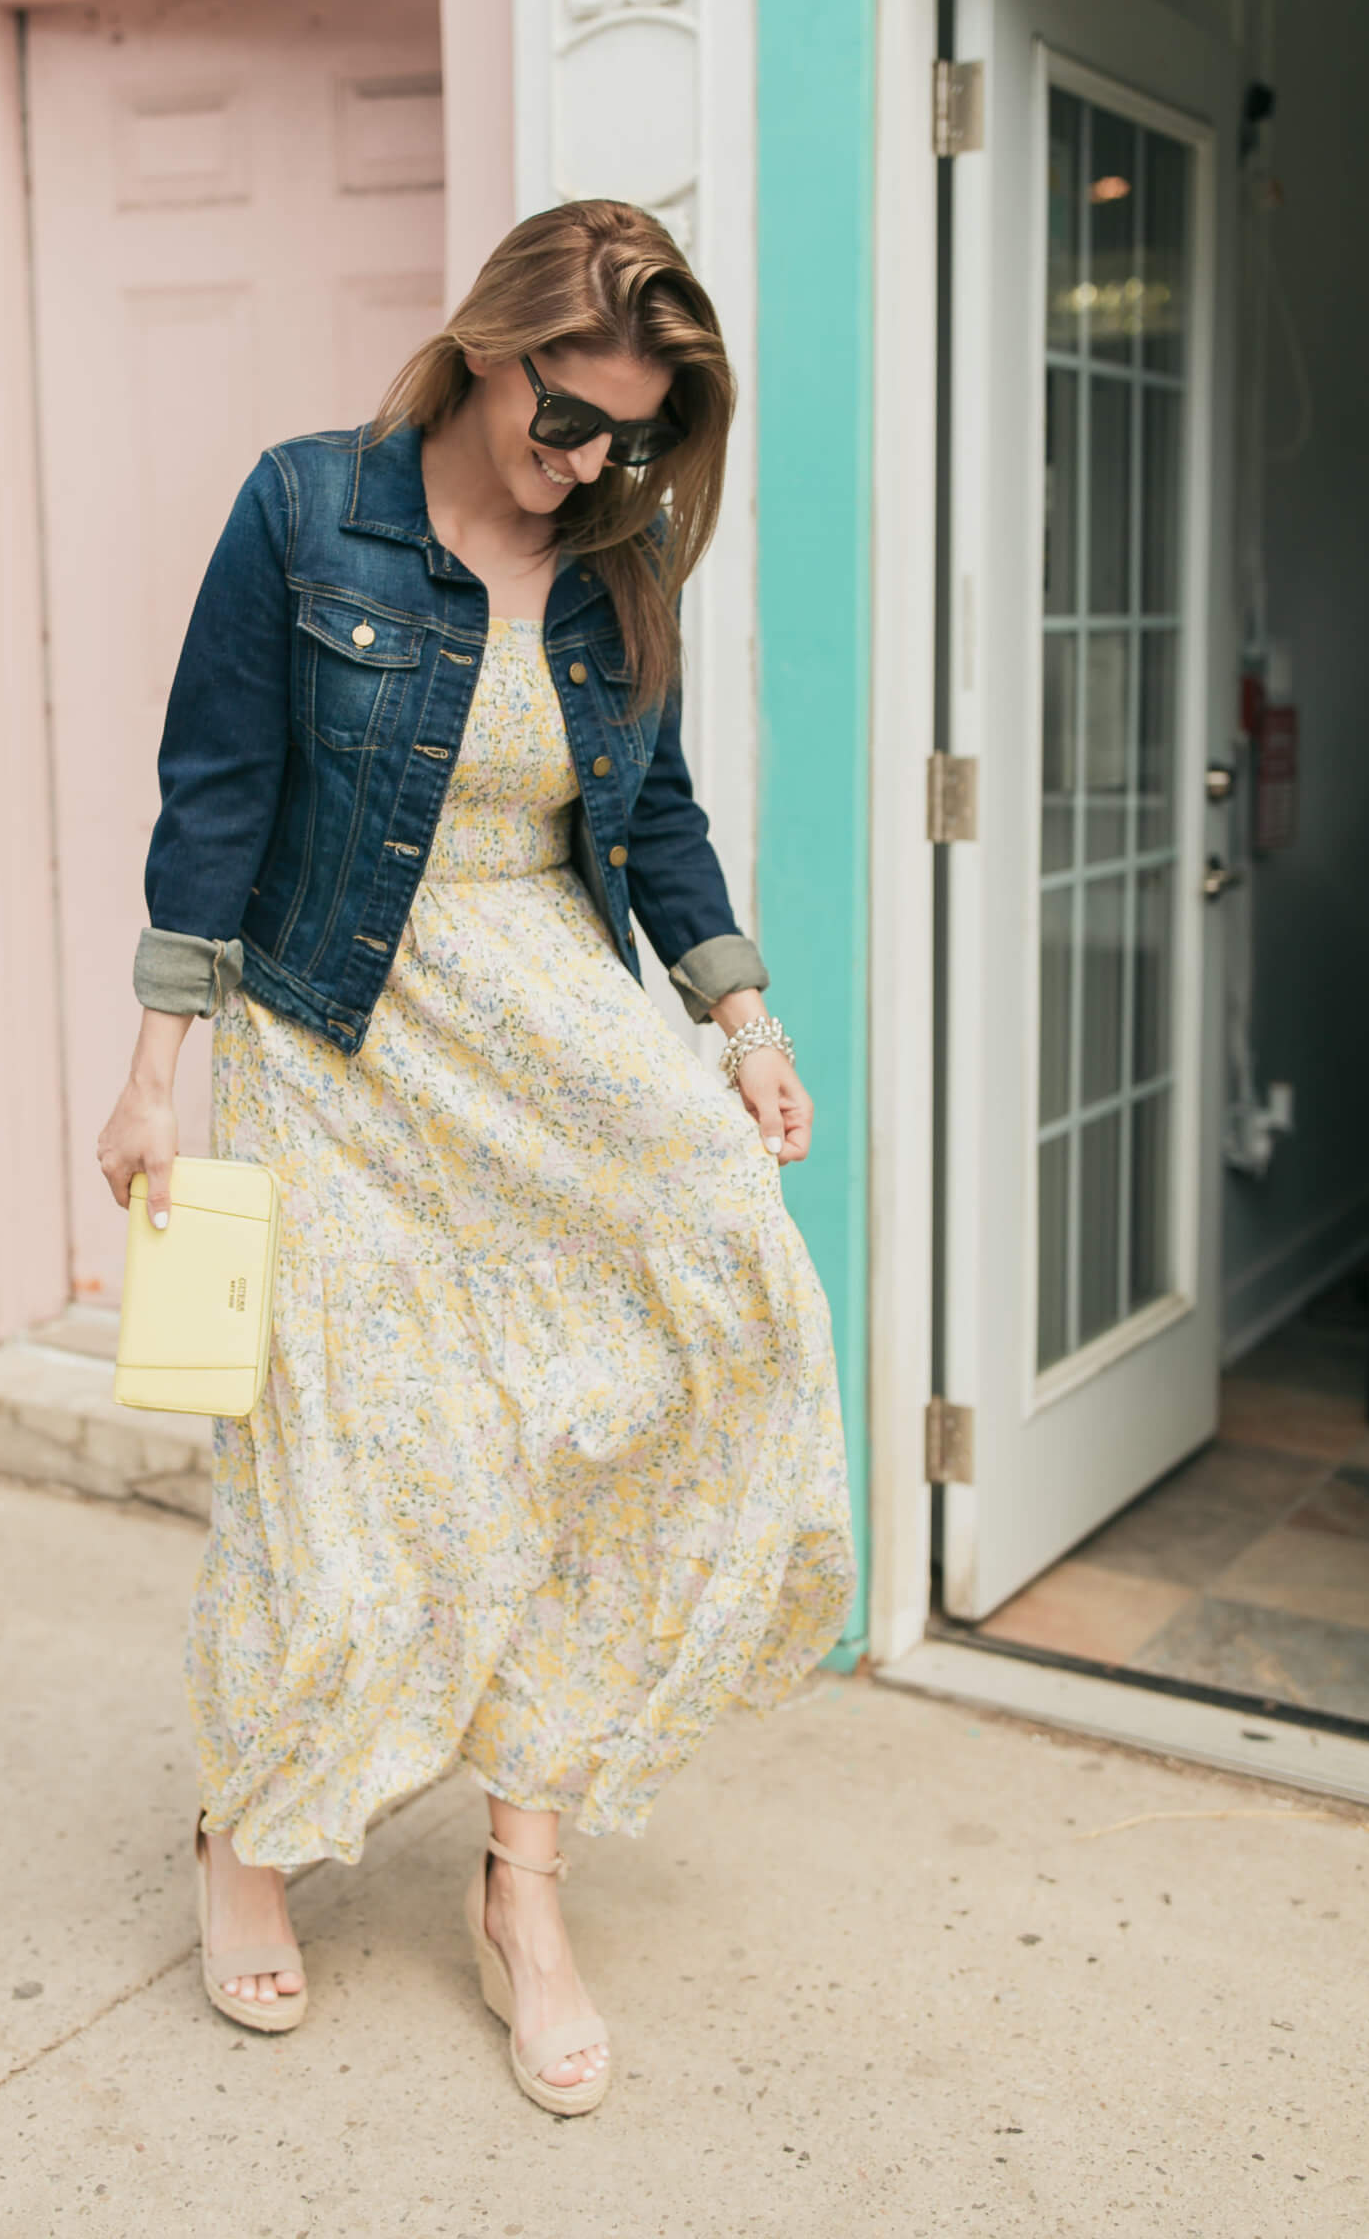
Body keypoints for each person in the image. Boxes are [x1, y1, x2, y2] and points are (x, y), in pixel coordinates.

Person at [97, 199, 854, 2117]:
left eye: (635, 436)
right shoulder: (305, 508)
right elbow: (217, 791)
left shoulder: (616, 553)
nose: (592, 462)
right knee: (346, 1481)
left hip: (547, 1016)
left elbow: (657, 819)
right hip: (334, 1024)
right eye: (568, 416)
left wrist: (745, 1031)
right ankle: (249, 1832)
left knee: (710, 1323)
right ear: (488, 348)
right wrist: (154, 1071)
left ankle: (524, 1884)